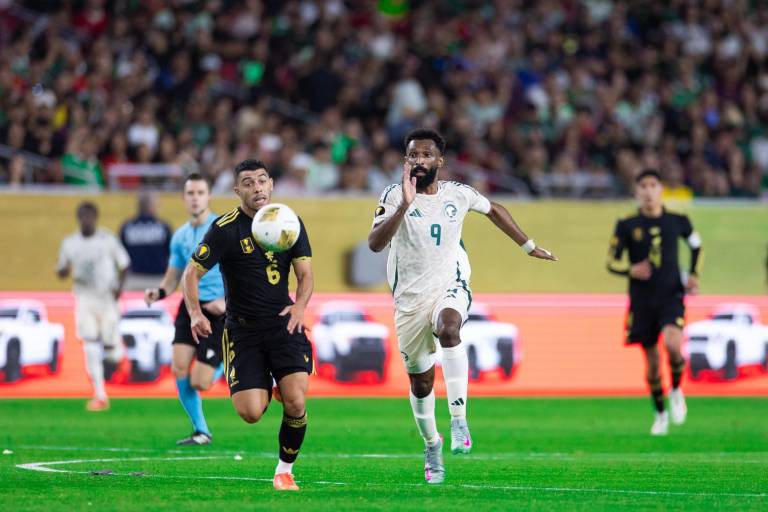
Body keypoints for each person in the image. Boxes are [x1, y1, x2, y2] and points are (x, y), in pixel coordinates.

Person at [368, 128, 557, 484]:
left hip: (449, 286)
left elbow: (494, 209)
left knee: (449, 327)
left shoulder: (458, 194)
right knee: (421, 383)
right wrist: (405, 206)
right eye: (412, 155)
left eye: (425, 155)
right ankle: (431, 444)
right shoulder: (394, 195)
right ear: (405, 161)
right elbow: (375, 243)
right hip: (409, 301)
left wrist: (527, 245)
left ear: (440, 161)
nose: (418, 161)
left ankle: (459, 420)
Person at [181, 159, 314, 491]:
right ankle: (269, 385)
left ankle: (284, 470)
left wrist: (299, 306)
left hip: (284, 323)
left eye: (262, 181)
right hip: (242, 331)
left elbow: (306, 275)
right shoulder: (225, 229)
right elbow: (191, 274)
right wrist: (196, 314)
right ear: (237, 189)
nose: (257, 188)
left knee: (297, 400)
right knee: (251, 413)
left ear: (270, 184)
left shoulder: (290, 222)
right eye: (248, 183)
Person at [607, 169, 703, 436]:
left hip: (671, 296)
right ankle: (660, 413)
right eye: (643, 186)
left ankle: (675, 389)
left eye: (653, 185)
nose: (648, 191)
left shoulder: (678, 221)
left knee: (673, 346)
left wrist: (693, 275)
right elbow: (611, 261)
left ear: (661, 189)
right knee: (650, 364)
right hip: (642, 301)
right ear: (636, 192)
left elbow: (697, 246)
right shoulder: (626, 225)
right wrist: (630, 269)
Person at [144, 174, 226, 445]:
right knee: (179, 368)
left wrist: (229, 301)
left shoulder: (223, 229)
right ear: (184, 198)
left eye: (200, 192)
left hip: (218, 308)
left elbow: (242, 271)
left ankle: (227, 363)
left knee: (200, 382)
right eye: (190, 193)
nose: (195, 197)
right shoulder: (179, 235)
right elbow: (173, 275)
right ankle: (201, 431)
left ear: (209, 196)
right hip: (189, 306)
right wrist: (160, 292)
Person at [57, 201, 130, 411]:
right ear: (78, 218)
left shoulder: (107, 240)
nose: (86, 220)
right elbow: (61, 269)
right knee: (89, 344)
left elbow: (124, 264)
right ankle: (100, 394)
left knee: (110, 351)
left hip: (107, 299)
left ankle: (118, 354)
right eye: (83, 216)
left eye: (90, 216)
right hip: (85, 299)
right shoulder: (70, 243)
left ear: (95, 217)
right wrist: (63, 272)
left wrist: (119, 289)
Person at [120, 191, 173, 291]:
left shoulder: (127, 227)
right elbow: (171, 253)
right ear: (151, 206)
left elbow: (121, 255)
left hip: (134, 279)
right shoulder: (163, 227)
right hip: (157, 279)